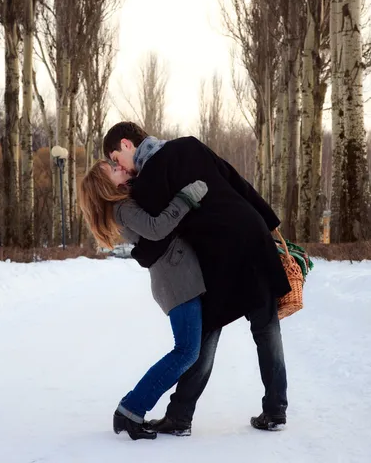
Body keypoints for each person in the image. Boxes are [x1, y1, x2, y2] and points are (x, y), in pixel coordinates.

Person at [103, 122, 291, 434]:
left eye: (114, 158)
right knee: (267, 326)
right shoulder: (188, 144)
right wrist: (270, 223)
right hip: (251, 232)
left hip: (217, 253)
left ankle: (180, 416)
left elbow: (157, 236)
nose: (117, 166)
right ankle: (275, 410)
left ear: (126, 143)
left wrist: (139, 255)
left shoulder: (148, 181)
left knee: (205, 335)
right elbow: (236, 180)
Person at [79, 160, 208, 440]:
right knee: (186, 351)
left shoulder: (124, 204)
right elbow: (156, 227)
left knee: (188, 351)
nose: (120, 167)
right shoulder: (122, 208)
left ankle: (132, 409)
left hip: (177, 278)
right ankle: (130, 409)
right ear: (106, 185)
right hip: (176, 281)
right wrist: (186, 197)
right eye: (114, 169)